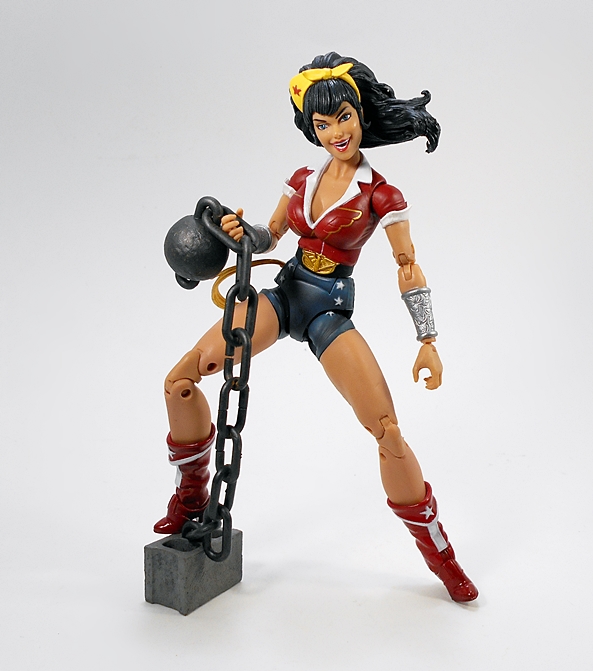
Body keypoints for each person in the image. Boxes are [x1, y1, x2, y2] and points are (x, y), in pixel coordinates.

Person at [154, 52, 478, 603]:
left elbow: (407, 266)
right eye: (322, 124)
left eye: (343, 118)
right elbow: (271, 235)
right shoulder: (302, 179)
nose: (335, 133)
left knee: (387, 430)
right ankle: (190, 496)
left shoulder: (381, 195)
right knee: (181, 379)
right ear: (311, 129)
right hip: (285, 295)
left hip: (328, 311)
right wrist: (240, 230)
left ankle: (441, 557)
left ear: (361, 116)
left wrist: (427, 339)